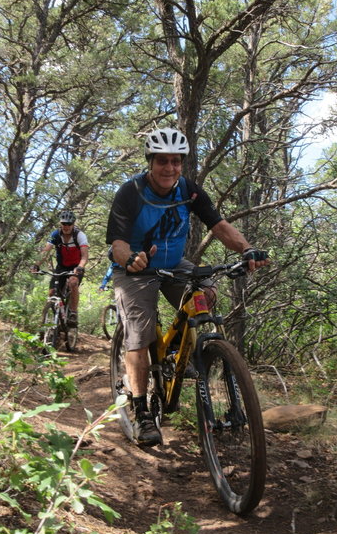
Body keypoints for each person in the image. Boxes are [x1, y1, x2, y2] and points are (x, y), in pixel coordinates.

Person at [106, 127, 269, 446]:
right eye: (163, 161)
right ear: (150, 162)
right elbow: (118, 243)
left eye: (176, 162)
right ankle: (142, 415)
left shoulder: (189, 191)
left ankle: (189, 355)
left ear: (182, 163)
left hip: (174, 263)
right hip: (135, 269)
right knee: (140, 335)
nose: (170, 168)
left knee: (204, 293)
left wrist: (247, 249)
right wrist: (130, 260)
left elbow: (219, 225)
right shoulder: (131, 192)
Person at [31, 210, 89, 327]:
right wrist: (36, 264)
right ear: (60, 224)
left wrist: (80, 267)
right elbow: (46, 251)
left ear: (73, 224)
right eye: (64, 224)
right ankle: (54, 318)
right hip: (61, 266)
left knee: (73, 282)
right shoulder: (55, 235)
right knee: (52, 292)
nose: (66, 226)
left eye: (69, 224)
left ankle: (73, 312)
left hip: (76, 267)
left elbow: (84, 256)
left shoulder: (79, 235)